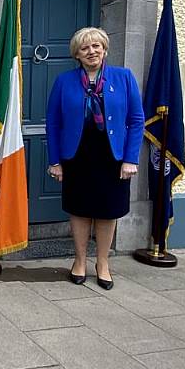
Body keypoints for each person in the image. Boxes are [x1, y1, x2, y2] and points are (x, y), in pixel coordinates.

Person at [46, 27, 144, 290]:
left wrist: (131, 159)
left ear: (104, 49)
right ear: (76, 54)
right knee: (79, 209)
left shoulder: (123, 77)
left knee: (107, 210)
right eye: (85, 48)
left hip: (112, 156)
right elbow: (53, 123)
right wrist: (55, 161)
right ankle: (79, 261)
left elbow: (136, 120)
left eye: (96, 46)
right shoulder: (64, 81)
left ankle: (102, 263)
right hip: (77, 155)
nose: (92, 52)